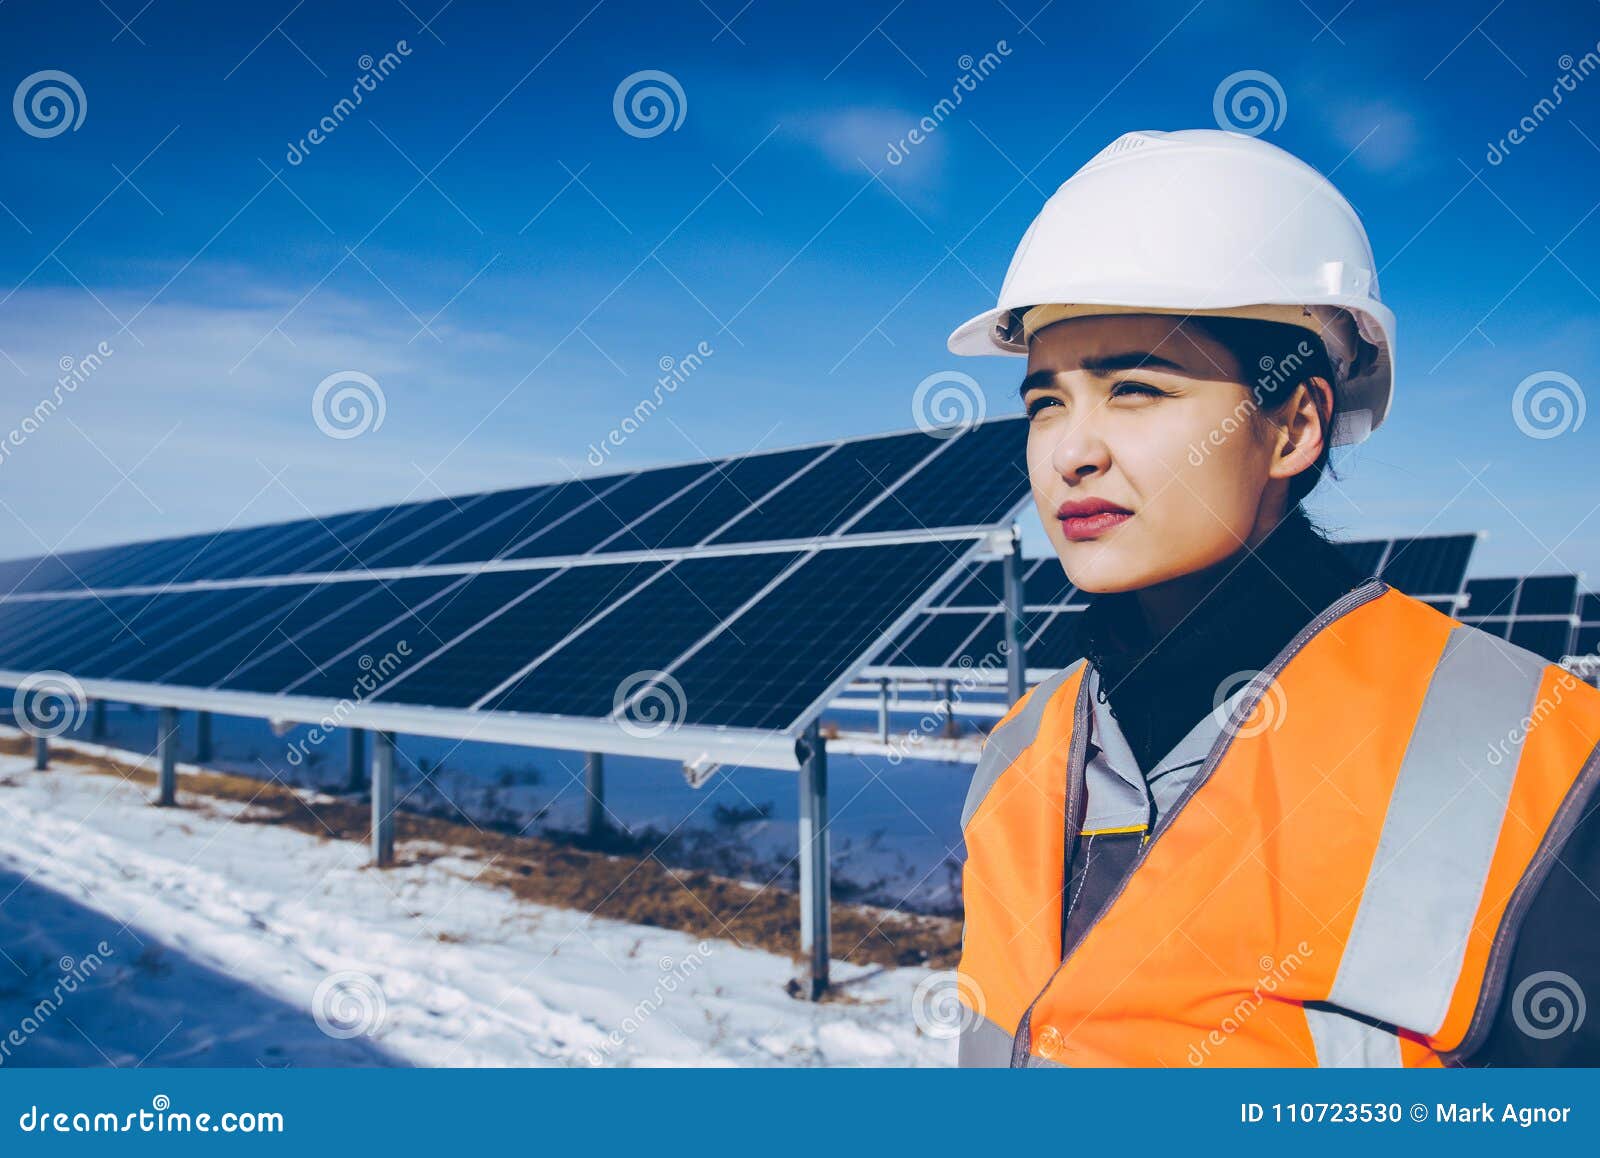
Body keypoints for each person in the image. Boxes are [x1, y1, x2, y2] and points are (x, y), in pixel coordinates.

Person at [946, 128, 1600, 1068]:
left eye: (1134, 388)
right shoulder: (1021, 749)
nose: (1068, 451)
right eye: (1046, 401)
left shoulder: (1544, 761)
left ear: (1294, 427)